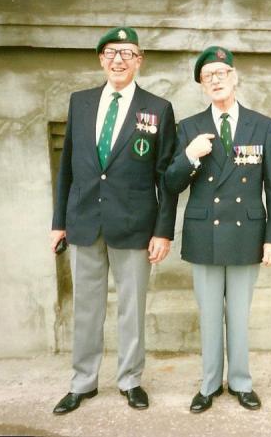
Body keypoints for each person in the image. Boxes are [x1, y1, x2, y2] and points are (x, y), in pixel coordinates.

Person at [49, 26, 177, 414]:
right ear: (101, 59)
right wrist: (59, 222)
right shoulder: (81, 102)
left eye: (127, 53)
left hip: (135, 225)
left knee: (131, 308)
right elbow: (67, 168)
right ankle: (83, 382)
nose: (118, 60)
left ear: (139, 60)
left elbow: (166, 177)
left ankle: (130, 380)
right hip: (85, 221)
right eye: (111, 53)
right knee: (86, 307)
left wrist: (163, 231)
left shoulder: (158, 109)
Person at [164, 46, 271, 413]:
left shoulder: (261, 125)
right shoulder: (189, 128)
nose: (215, 81)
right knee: (209, 315)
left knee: (239, 315)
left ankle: (241, 382)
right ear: (202, 87)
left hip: (247, 234)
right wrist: (190, 155)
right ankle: (208, 385)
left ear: (234, 77)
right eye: (207, 77)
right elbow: (170, 184)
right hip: (205, 234)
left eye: (221, 73)